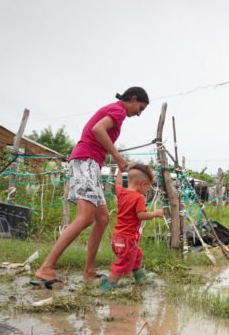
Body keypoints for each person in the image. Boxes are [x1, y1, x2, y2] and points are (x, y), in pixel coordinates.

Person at [34, 87, 149, 289]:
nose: (139, 113)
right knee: (85, 217)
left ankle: (89, 270)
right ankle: (46, 267)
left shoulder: (116, 111)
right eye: (140, 108)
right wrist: (118, 157)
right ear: (133, 99)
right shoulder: (119, 110)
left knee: (102, 219)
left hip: (91, 164)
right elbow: (98, 129)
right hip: (85, 161)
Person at [100, 163, 165, 292]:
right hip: (127, 239)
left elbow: (118, 183)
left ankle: (140, 277)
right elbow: (141, 215)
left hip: (117, 237)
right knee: (123, 263)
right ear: (143, 184)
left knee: (137, 255)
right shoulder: (139, 197)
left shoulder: (122, 193)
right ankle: (109, 285)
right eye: (148, 187)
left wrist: (120, 170)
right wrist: (155, 214)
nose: (147, 190)